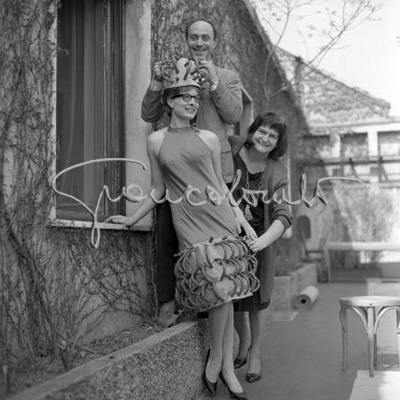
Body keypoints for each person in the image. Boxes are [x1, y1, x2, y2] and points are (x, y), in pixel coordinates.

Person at [111, 58, 255, 399]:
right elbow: (159, 191)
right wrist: (132, 218)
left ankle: (218, 361)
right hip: (187, 220)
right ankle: (219, 359)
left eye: (195, 97)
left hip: (218, 215)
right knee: (216, 285)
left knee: (224, 289)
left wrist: (242, 218)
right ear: (171, 101)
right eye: (185, 97)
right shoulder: (156, 141)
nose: (192, 102)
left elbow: (220, 184)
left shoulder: (207, 137)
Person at [140, 18, 244, 325]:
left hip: (213, 174)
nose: (200, 43)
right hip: (175, 171)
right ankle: (167, 302)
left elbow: (234, 114)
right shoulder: (174, 73)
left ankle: (209, 302)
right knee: (168, 237)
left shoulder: (228, 76)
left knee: (215, 245)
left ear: (214, 42)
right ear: (187, 40)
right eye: (194, 37)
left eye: (205, 38)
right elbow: (148, 114)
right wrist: (158, 82)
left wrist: (214, 83)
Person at [228, 111, 292, 383]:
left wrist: (262, 242)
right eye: (262, 131)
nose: (266, 138)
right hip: (226, 237)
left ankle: (255, 353)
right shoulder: (231, 146)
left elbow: (283, 214)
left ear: (278, 143)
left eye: (273, 135)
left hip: (259, 240)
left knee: (258, 300)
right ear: (253, 131)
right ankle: (243, 342)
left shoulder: (278, 170)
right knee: (231, 296)